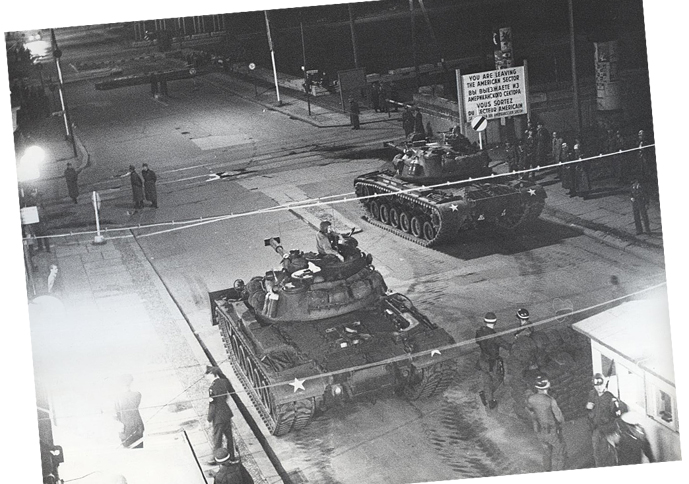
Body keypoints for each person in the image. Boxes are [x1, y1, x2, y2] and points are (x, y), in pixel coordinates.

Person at [525, 375, 567, 472]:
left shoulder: (531, 399)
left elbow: (529, 411)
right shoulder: (550, 400)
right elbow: (559, 418)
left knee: (546, 453)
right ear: (547, 386)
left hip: (540, 432)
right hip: (551, 432)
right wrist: (561, 425)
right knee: (561, 452)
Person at [475, 312, 512, 409]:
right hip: (492, 362)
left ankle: (490, 400)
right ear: (495, 322)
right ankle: (488, 394)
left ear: (484, 321)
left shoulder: (479, 332)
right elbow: (507, 346)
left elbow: (477, 341)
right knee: (498, 379)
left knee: (486, 380)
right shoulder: (494, 336)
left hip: (482, 359)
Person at [586, 373, 622, 467]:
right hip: (596, 429)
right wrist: (589, 410)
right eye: (596, 385)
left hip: (608, 431)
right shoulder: (592, 394)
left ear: (604, 383)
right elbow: (589, 409)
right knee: (597, 455)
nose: (598, 387)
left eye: (600, 385)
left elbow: (617, 415)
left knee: (610, 456)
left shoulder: (610, 397)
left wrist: (615, 407)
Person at [205, 366, 235, 463]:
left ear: (211, 374)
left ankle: (216, 458)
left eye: (207, 374)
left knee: (217, 438)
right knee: (229, 436)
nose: (206, 377)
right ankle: (232, 456)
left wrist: (209, 419)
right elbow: (227, 395)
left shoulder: (212, 388)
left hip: (218, 417)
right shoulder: (224, 382)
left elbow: (212, 405)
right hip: (227, 413)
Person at [114, 374, 144, 449]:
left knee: (135, 450)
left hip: (134, 426)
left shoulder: (136, 394)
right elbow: (116, 413)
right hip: (127, 427)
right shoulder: (118, 397)